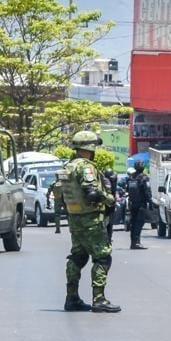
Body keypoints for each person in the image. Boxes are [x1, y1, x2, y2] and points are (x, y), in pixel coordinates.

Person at [60, 130, 120, 313]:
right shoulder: (86, 167)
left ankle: (71, 298)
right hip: (91, 220)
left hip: (74, 219)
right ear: (90, 148)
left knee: (77, 257)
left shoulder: (67, 167)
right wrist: (109, 199)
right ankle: (99, 299)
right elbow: (92, 192)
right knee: (102, 257)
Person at [126, 160, 152, 249]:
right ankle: (137, 243)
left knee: (133, 224)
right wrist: (150, 202)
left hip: (132, 203)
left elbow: (127, 190)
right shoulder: (144, 178)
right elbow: (147, 191)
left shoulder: (131, 177)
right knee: (139, 223)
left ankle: (133, 243)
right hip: (141, 204)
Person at [101, 168, 119, 243]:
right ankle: (108, 238)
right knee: (110, 223)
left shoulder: (104, 181)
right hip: (110, 204)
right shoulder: (112, 180)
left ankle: (106, 238)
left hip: (105, 204)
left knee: (104, 222)